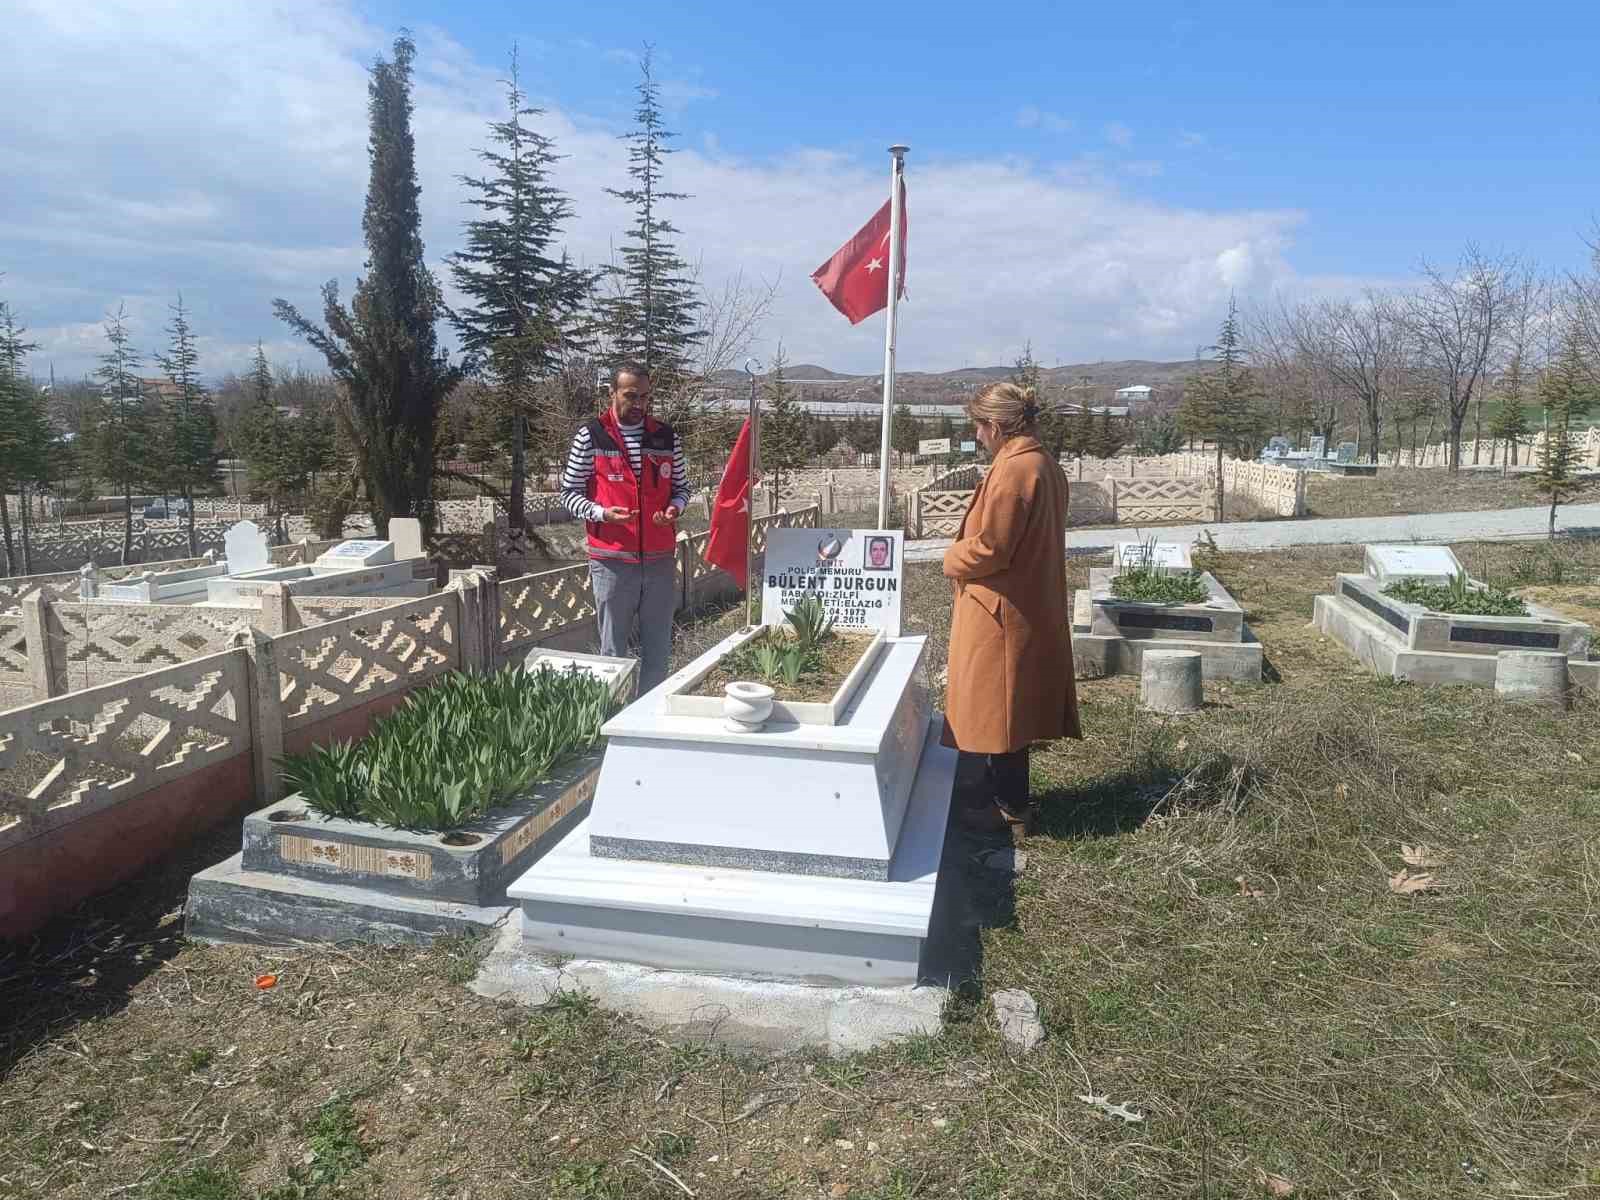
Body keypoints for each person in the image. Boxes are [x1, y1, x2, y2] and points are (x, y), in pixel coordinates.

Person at [941, 381, 1081, 831]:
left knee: (999, 711)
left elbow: (992, 548)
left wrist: (951, 557)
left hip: (1000, 608)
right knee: (1005, 709)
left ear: (997, 426)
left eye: (980, 426)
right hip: (1022, 601)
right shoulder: (1043, 464)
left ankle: (1009, 809)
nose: (978, 435)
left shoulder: (1014, 471)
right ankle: (993, 795)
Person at [560, 362, 691, 693]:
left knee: (659, 649)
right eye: (631, 396)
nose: (639, 404)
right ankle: (613, 720)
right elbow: (568, 495)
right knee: (613, 652)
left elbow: (682, 488)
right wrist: (603, 514)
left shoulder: (665, 437)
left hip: (660, 561)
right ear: (612, 393)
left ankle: (650, 720)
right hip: (612, 563)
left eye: (645, 397)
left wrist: (674, 509)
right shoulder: (591, 435)